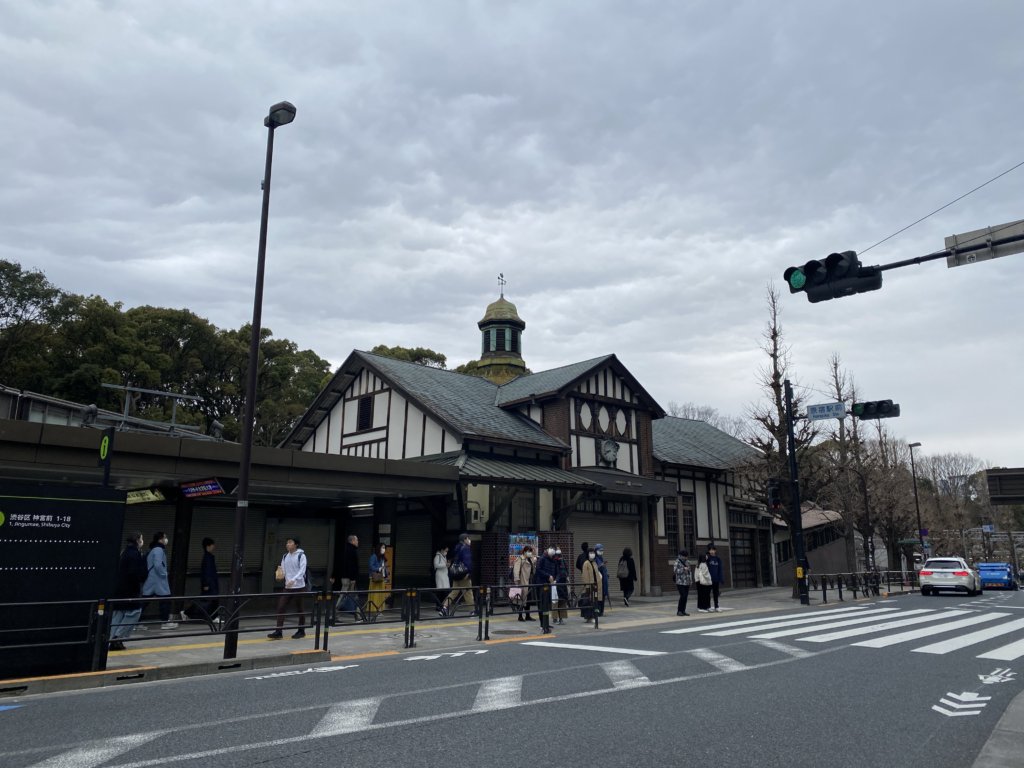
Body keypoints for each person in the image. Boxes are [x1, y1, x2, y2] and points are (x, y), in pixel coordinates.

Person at [109, 532, 147, 651]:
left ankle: (111, 639)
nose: (142, 541)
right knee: (134, 612)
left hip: (119, 589)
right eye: (141, 539)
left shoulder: (124, 552)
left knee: (118, 614)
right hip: (130, 589)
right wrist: (142, 575)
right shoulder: (135, 554)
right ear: (137, 540)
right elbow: (136, 573)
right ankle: (117, 638)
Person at [268, 537, 308, 639]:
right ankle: (278, 631)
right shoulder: (285, 556)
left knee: (300, 609)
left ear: (296, 545)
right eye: (287, 543)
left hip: (299, 587)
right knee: (281, 607)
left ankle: (301, 630)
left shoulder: (301, 556)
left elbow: (302, 571)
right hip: (288, 587)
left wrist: (293, 580)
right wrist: (280, 575)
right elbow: (283, 569)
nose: (287, 544)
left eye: (290, 542)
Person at [142, 532, 176, 629]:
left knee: (144, 600)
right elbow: (157, 564)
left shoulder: (153, 549)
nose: (166, 539)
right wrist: (164, 574)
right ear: (160, 539)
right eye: (165, 537)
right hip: (158, 579)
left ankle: (136, 622)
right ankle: (165, 622)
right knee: (165, 600)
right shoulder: (158, 550)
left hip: (151, 579)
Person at [182, 537, 219, 623]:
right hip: (210, 584)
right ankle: (187, 612)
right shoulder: (207, 558)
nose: (214, 547)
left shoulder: (208, 557)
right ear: (208, 546)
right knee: (206, 601)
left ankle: (213, 616)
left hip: (211, 583)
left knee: (210, 601)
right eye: (212, 545)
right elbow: (206, 572)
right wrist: (206, 584)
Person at [445, 533, 475, 614]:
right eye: (468, 538)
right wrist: (469, 573)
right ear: (465, 539)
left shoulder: (456, 548)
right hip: (463, 574)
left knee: (454, 592)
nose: (469, 540)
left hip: (455, 573)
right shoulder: (466, 548)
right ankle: (472, 611)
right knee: (468, 592)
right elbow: (467, 562)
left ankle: (444, 607)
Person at [533, 546, 558, 634]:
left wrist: (554, 578)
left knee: (546, 604)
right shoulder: (542, 558)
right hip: (542, 584)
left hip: (548, 583)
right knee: (542, 604)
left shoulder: (553, 559)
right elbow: (538, 570)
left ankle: (546, 623)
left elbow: (554, 570)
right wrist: (548, 576)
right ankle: (542, 624)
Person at [512, 545, 535, 621]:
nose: (530, 553)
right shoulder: (520, 559)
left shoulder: (530, 559)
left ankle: (528, 615)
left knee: (528, 600)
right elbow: (516, 570)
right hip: (522, 581)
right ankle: (520, 616)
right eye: (528, 551)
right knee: (522, 599)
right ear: (524, 551)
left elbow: (533, 570)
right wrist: (517, 580)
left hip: (529, 581)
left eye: (530, 551)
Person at [368, 544, 389, 617]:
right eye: (383, 547)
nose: (384, 549)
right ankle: (374, 610)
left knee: (380, 595)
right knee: (375, 595)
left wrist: (386, 576)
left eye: (384, 548)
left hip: (381, 578)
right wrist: (378, 569)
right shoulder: (374, 556)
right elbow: (371, 566)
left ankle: (379, 610)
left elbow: (385, 568)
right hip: (375, 578)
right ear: (379, 548)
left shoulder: (382, 558)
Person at [579, 548, 600, 623]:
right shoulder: (586, 563)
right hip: (589, 586)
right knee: (588, 601)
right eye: (590, 553)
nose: (592, 554)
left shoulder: (594, 563)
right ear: (588, 554)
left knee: (594, 601)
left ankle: (593, 616)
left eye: (593, 553)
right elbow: (585, 576)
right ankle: (589, 617)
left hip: (595, 585)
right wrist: (587, 586)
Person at [673, 549, 692, 616]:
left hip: (687, 581)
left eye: (687, 556)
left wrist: (690, 580)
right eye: (685, 556)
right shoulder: (677, 561)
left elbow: (690, 572)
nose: (686, 558)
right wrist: (683, 569)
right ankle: (679, 611)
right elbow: (675, 571)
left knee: (686, 596)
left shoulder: (688, 562)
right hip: (680, 582)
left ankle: (683, 610)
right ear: (682, 556)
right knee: (683, 595)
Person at [433, 545, 451, 615]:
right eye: (445, 550)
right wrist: (445, 565)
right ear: (441, 550)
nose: (446, 552)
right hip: (440, 575)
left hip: (444, 575)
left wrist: (447, 565)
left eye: (447, 551)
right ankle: (438, 605)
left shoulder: (444, 556)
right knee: (440, 591)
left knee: (444, 591)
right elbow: (436, 565)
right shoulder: (438, 556)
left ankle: (443, 605)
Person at [553, 547, 569, 624]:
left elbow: (566, 571)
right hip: (556, 583)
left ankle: (561, 618)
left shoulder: (562, 560)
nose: (559, 556)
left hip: (562, 583)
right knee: (555, 601)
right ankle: (555, 618)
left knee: (562, 601)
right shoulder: (553, 561)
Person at [706, 544, 724, 612]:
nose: (711, 551)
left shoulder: (718, 559)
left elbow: (720, 569)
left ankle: (716, 606)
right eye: (710, 550)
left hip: (716, 579)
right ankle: (708, 606)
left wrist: (721, 578)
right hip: (709, 579)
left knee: (715, 593)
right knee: (708, 593)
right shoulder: (708, 558)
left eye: (713, 550)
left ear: (715, 550)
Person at [594, 544, 609, 615]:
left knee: (603, 596)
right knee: (599, 597)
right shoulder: (595, 559)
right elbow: (596, 569)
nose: (601, 552)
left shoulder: (601, 558)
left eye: (602, 551)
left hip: (604, 580)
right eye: (600, 551)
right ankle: (599, 611)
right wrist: (601, 566)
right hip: (599, 581)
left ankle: (601, 611)